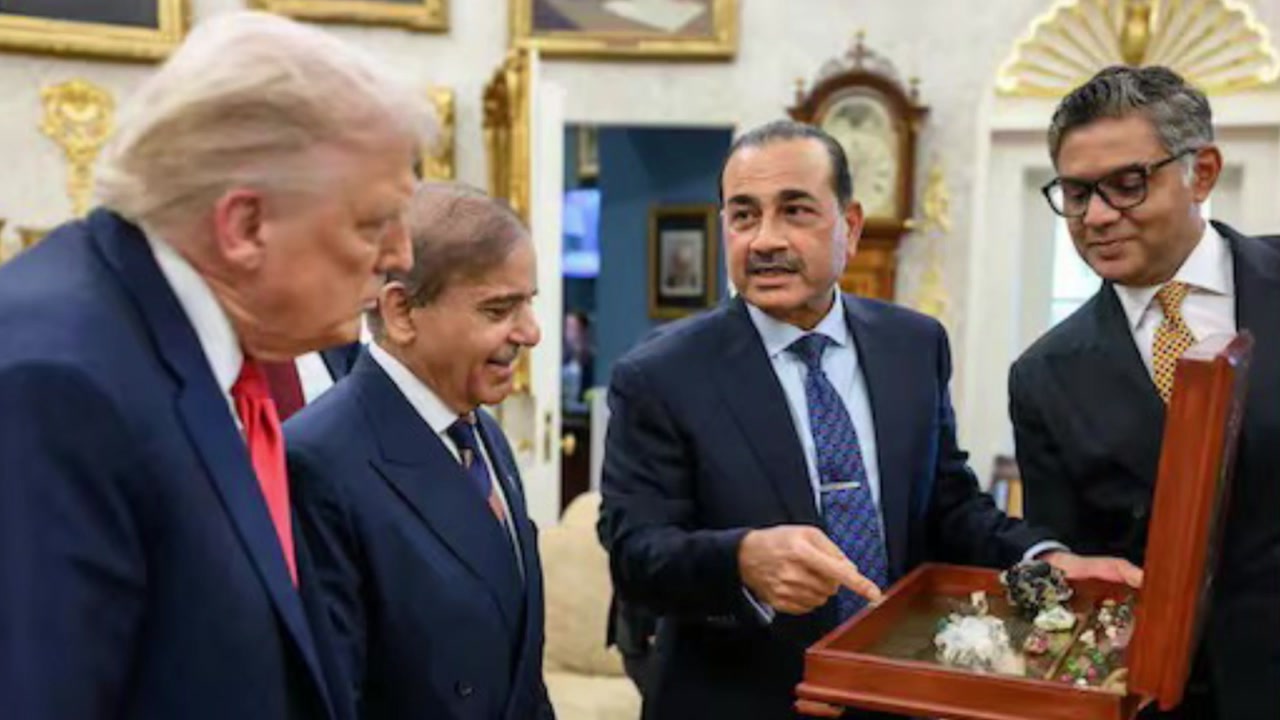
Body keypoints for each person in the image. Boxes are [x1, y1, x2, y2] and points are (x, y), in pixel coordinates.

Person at [597, 119, 1142, 720]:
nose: (765, 239)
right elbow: (635, 553)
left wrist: (1046, 559)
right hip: (738, 700)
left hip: (895, 694)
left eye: (795, 211)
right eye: (744, 215)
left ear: (850, 226)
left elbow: (949, 505)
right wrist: (742, 558)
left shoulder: (913, 346)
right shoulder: (660, 374)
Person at [0, 12, 426, 720]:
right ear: (245, 226)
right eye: (371, 223)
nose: (401, 256)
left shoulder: (194, 346)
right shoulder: (57, 387)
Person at [1009, 65, 1280, 720]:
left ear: (1202, 173)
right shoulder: (1042, 375)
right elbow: (1070, 574)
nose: (1097, 217)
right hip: (1163, 698)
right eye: (1077, 193)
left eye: (1128, 184)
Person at [286, 182, 555, 720]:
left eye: (529, 303)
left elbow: (516, 665)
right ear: (403, 312)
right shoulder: (316, 462)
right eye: (498, 309)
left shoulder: (484, 437)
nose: (531, 333)